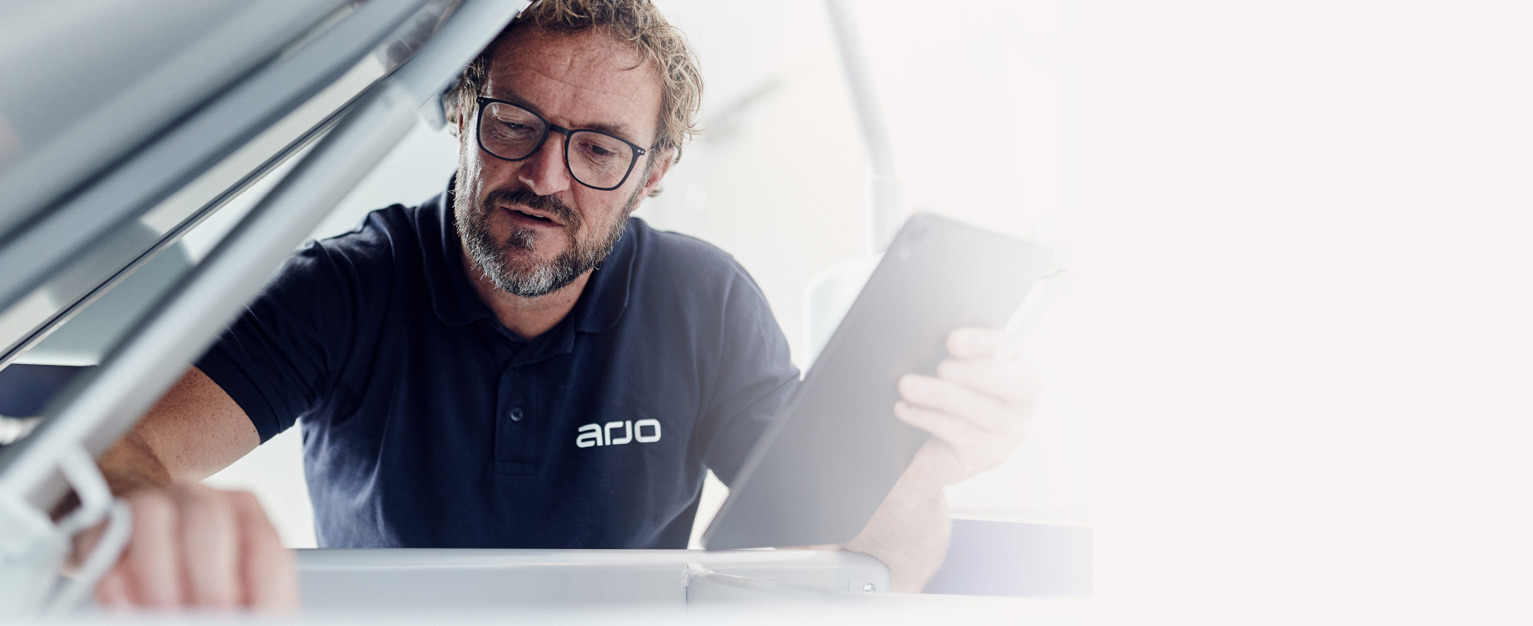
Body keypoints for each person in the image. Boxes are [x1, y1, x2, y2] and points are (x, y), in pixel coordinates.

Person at [79, 0, 1041, 610]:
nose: (545, 175)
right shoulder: (345, 287)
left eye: (598, 148)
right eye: (514, 123)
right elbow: (120, 454)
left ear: (653, 172)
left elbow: (882, 562)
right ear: (463, 116)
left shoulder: (705, 302)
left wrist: (920, 470)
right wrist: (147, 519)